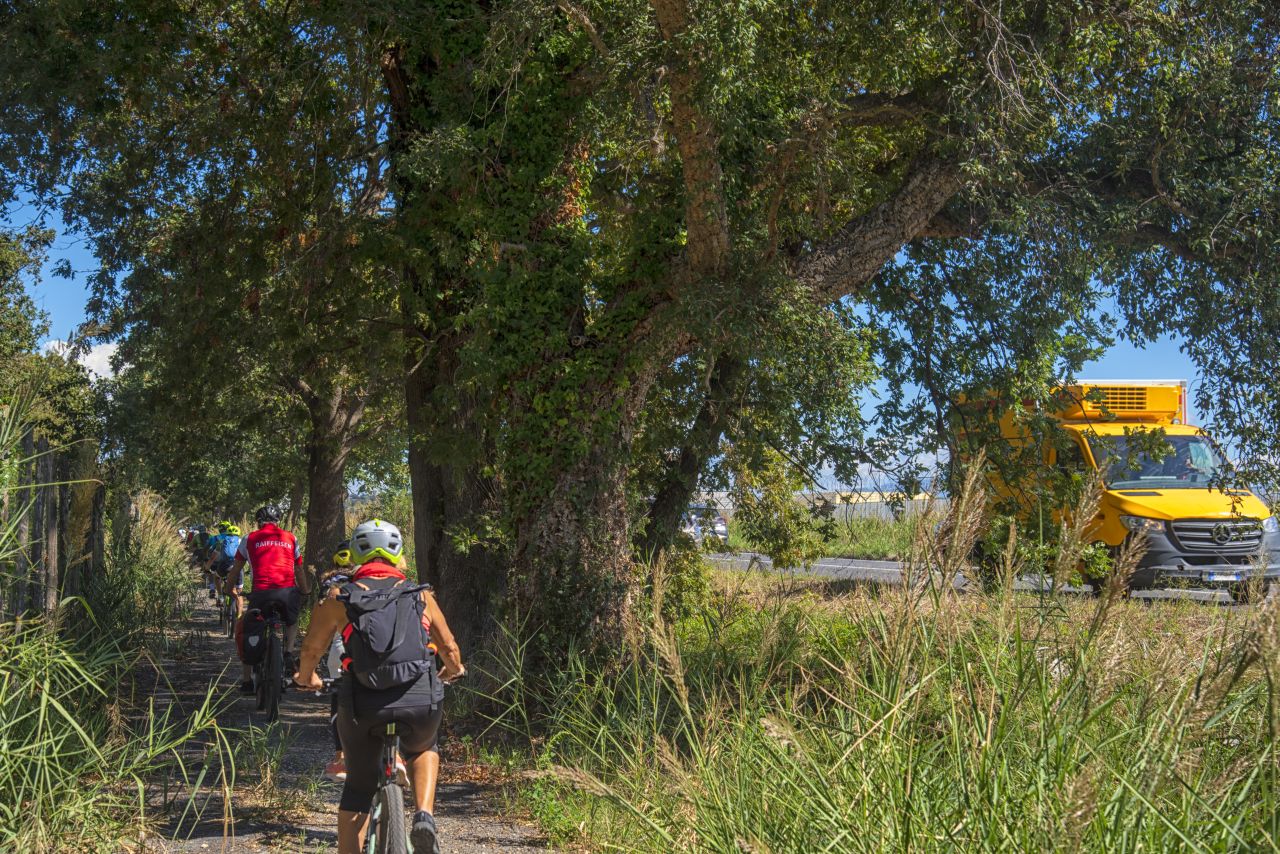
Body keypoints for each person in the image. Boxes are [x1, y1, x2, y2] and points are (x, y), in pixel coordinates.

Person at [295, 519, 464, 854]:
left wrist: (306, 677)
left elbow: (311, 650)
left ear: (355, 553)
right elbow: (449, 647)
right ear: (398, 553)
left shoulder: (338, 598)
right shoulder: (420, 595)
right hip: (419, 698)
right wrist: (454, 669)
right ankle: (424, 816)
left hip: (363, 705)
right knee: (423, 748)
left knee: (358, 788)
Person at [227, 505, 305, 695]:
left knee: (248, 628)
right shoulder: (290, 537)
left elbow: (236, 569)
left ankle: (247, 682)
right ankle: (288, 652)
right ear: (278, 521)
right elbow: (299, 569)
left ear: (258, 522)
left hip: (260, 593)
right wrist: (305, 590)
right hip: (287, 592)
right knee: (292, 620)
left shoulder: (249, 539)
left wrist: (229, 589)